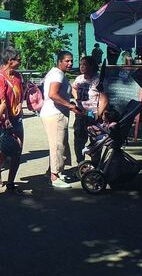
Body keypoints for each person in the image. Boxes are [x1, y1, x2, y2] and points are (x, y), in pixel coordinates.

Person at [39, 51, 81, 188]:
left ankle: (52, 171)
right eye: (67, 61)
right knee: (57, 145)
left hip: (53, 113)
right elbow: (53, 94)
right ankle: (54, 176)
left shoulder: (56, 73)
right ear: (60, 61)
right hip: (54, 114)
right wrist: (70, 106)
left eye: (71, 61)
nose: (70, 64)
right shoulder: (57, 74)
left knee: (58, 143)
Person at [0, 47, 25, 194]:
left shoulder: (18, 76)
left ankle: (10, 183)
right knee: (5, 150)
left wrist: (19, 104)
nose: (20, 61)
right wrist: (4, 118)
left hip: (17, 118)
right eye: (18, 59)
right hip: (6, 119)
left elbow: (21, 94)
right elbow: (2, 100)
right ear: (10, 61)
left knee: (18, 150)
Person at [72, 56, 109, 166]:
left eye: (85, 64)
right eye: (81, 64)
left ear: (92, 66)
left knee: (96, 140)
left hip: (94, 114)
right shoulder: (79, 79)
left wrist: (99, 112)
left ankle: (95, 165)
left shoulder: (99, 80)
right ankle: (81, 164)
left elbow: (105, 98)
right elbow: (74, 88)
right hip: (80, 114)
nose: (82, 67)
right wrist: (76, 98)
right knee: (79, 140)